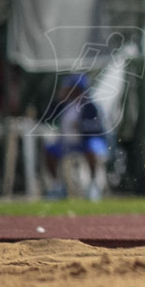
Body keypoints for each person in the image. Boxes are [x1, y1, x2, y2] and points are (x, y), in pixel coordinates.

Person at [44, 73, 107, 201]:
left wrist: (81, 125)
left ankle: (94, 185)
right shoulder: (64, 105)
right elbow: (48, 117)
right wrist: (57, 100)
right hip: (67, 143)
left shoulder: (90, 106)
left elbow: (98, 127)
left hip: (84, 142)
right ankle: (58, 187)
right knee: (49, 150)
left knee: (91, 149)